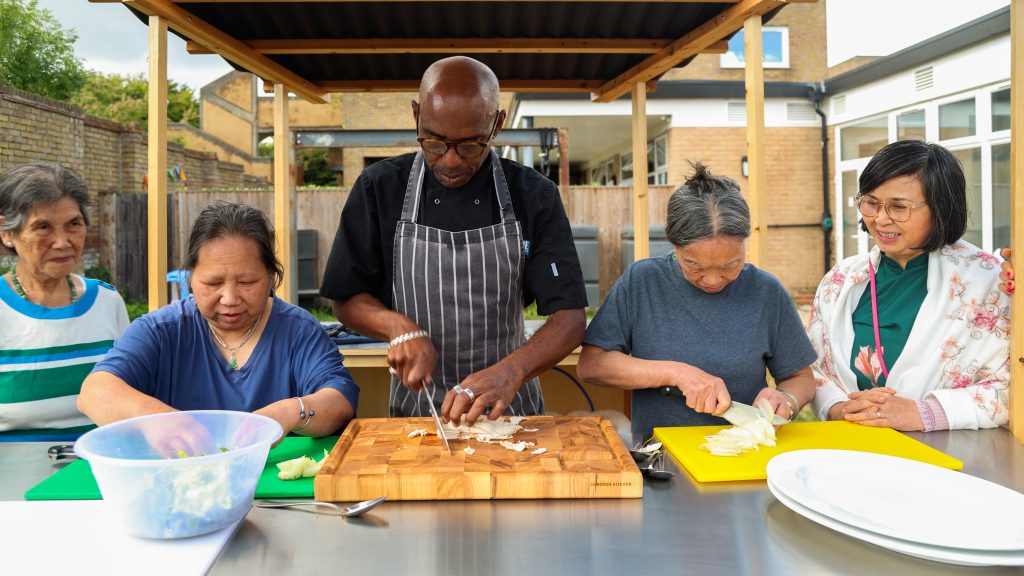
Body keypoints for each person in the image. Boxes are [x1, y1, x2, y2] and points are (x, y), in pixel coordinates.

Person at [321, 56, 587, 424]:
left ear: (497, 124)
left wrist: (511, 371)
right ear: (416, 115)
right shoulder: (379, 188)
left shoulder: (534, 195)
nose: (450, 161)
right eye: (434, 142)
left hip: (510, 417)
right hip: (419, 417)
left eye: (470, 146)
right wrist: (398, 328)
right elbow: (346, 299)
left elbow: (570, 319)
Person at [577, 163, 818, 439]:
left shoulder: (766, 291)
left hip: (748, 448)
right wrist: (675, 373)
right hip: (661, 456)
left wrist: (786, 399)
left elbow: (801, 378)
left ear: (745, 244)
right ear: (673, 245)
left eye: (731, 265)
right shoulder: (642, 282)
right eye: (694, 265)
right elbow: (592, 364)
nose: (712, 280)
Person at [78, 202, 358, 439]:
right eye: (213, 283)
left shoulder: (298, 330)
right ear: (191, 277)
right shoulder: (161, 331)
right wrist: (157, 420)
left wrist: (287, 413)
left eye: (247, 282)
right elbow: (94, 392)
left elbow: (340, 401)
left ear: (271, 276)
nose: (230, 298)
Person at [808, 140, 1010, 431]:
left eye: (898, 207)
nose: (880, 219)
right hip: (853, 449)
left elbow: (1011, 385)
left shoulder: (990, 282)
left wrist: (924, 413)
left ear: (941, 208)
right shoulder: (839, 281)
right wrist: (840, 408)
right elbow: (814, 368)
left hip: (951, 453)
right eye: (871, 203)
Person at [0, 163, 129, 440]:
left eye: (73, 224)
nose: (62, 242)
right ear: (7, 233)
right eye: (42, 227)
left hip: (101, 458)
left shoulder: (107, 302)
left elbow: (130, 390)